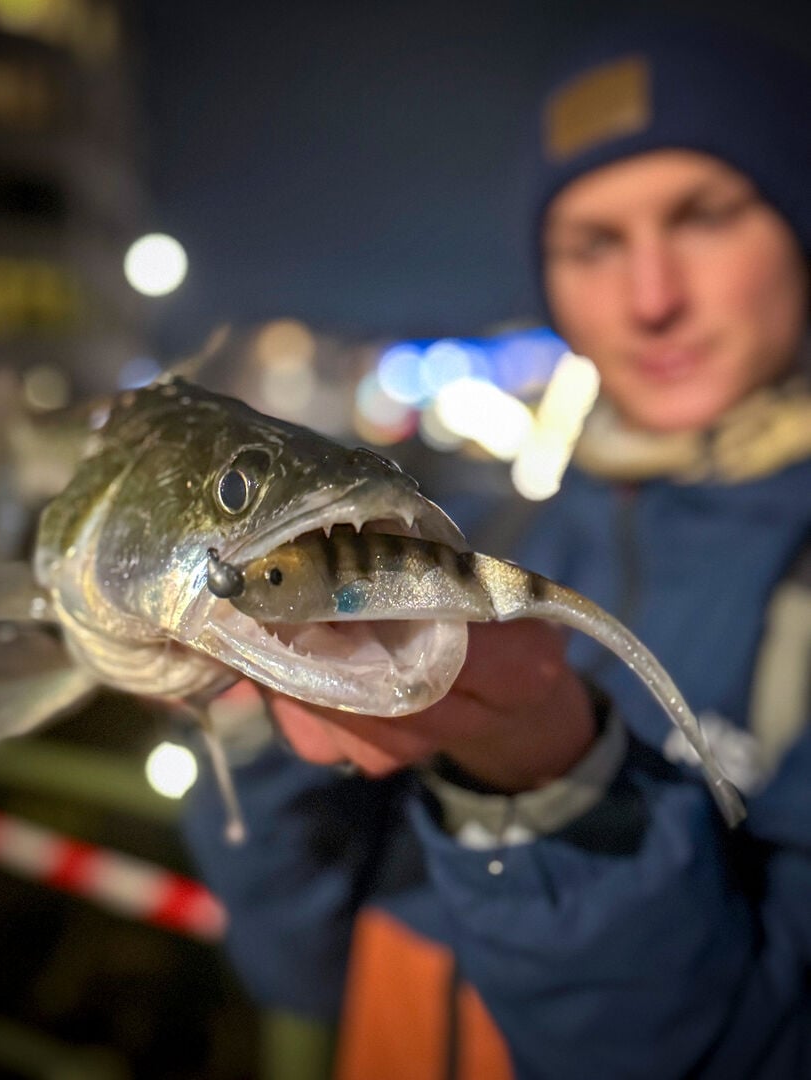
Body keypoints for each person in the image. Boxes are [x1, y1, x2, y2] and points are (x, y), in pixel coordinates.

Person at [184, 16, 811, 1079]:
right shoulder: (510, 532)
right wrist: (250, 736)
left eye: (704, 216)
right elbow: (301, 964)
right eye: (591, 244)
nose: (650, 298)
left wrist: (555, 791)